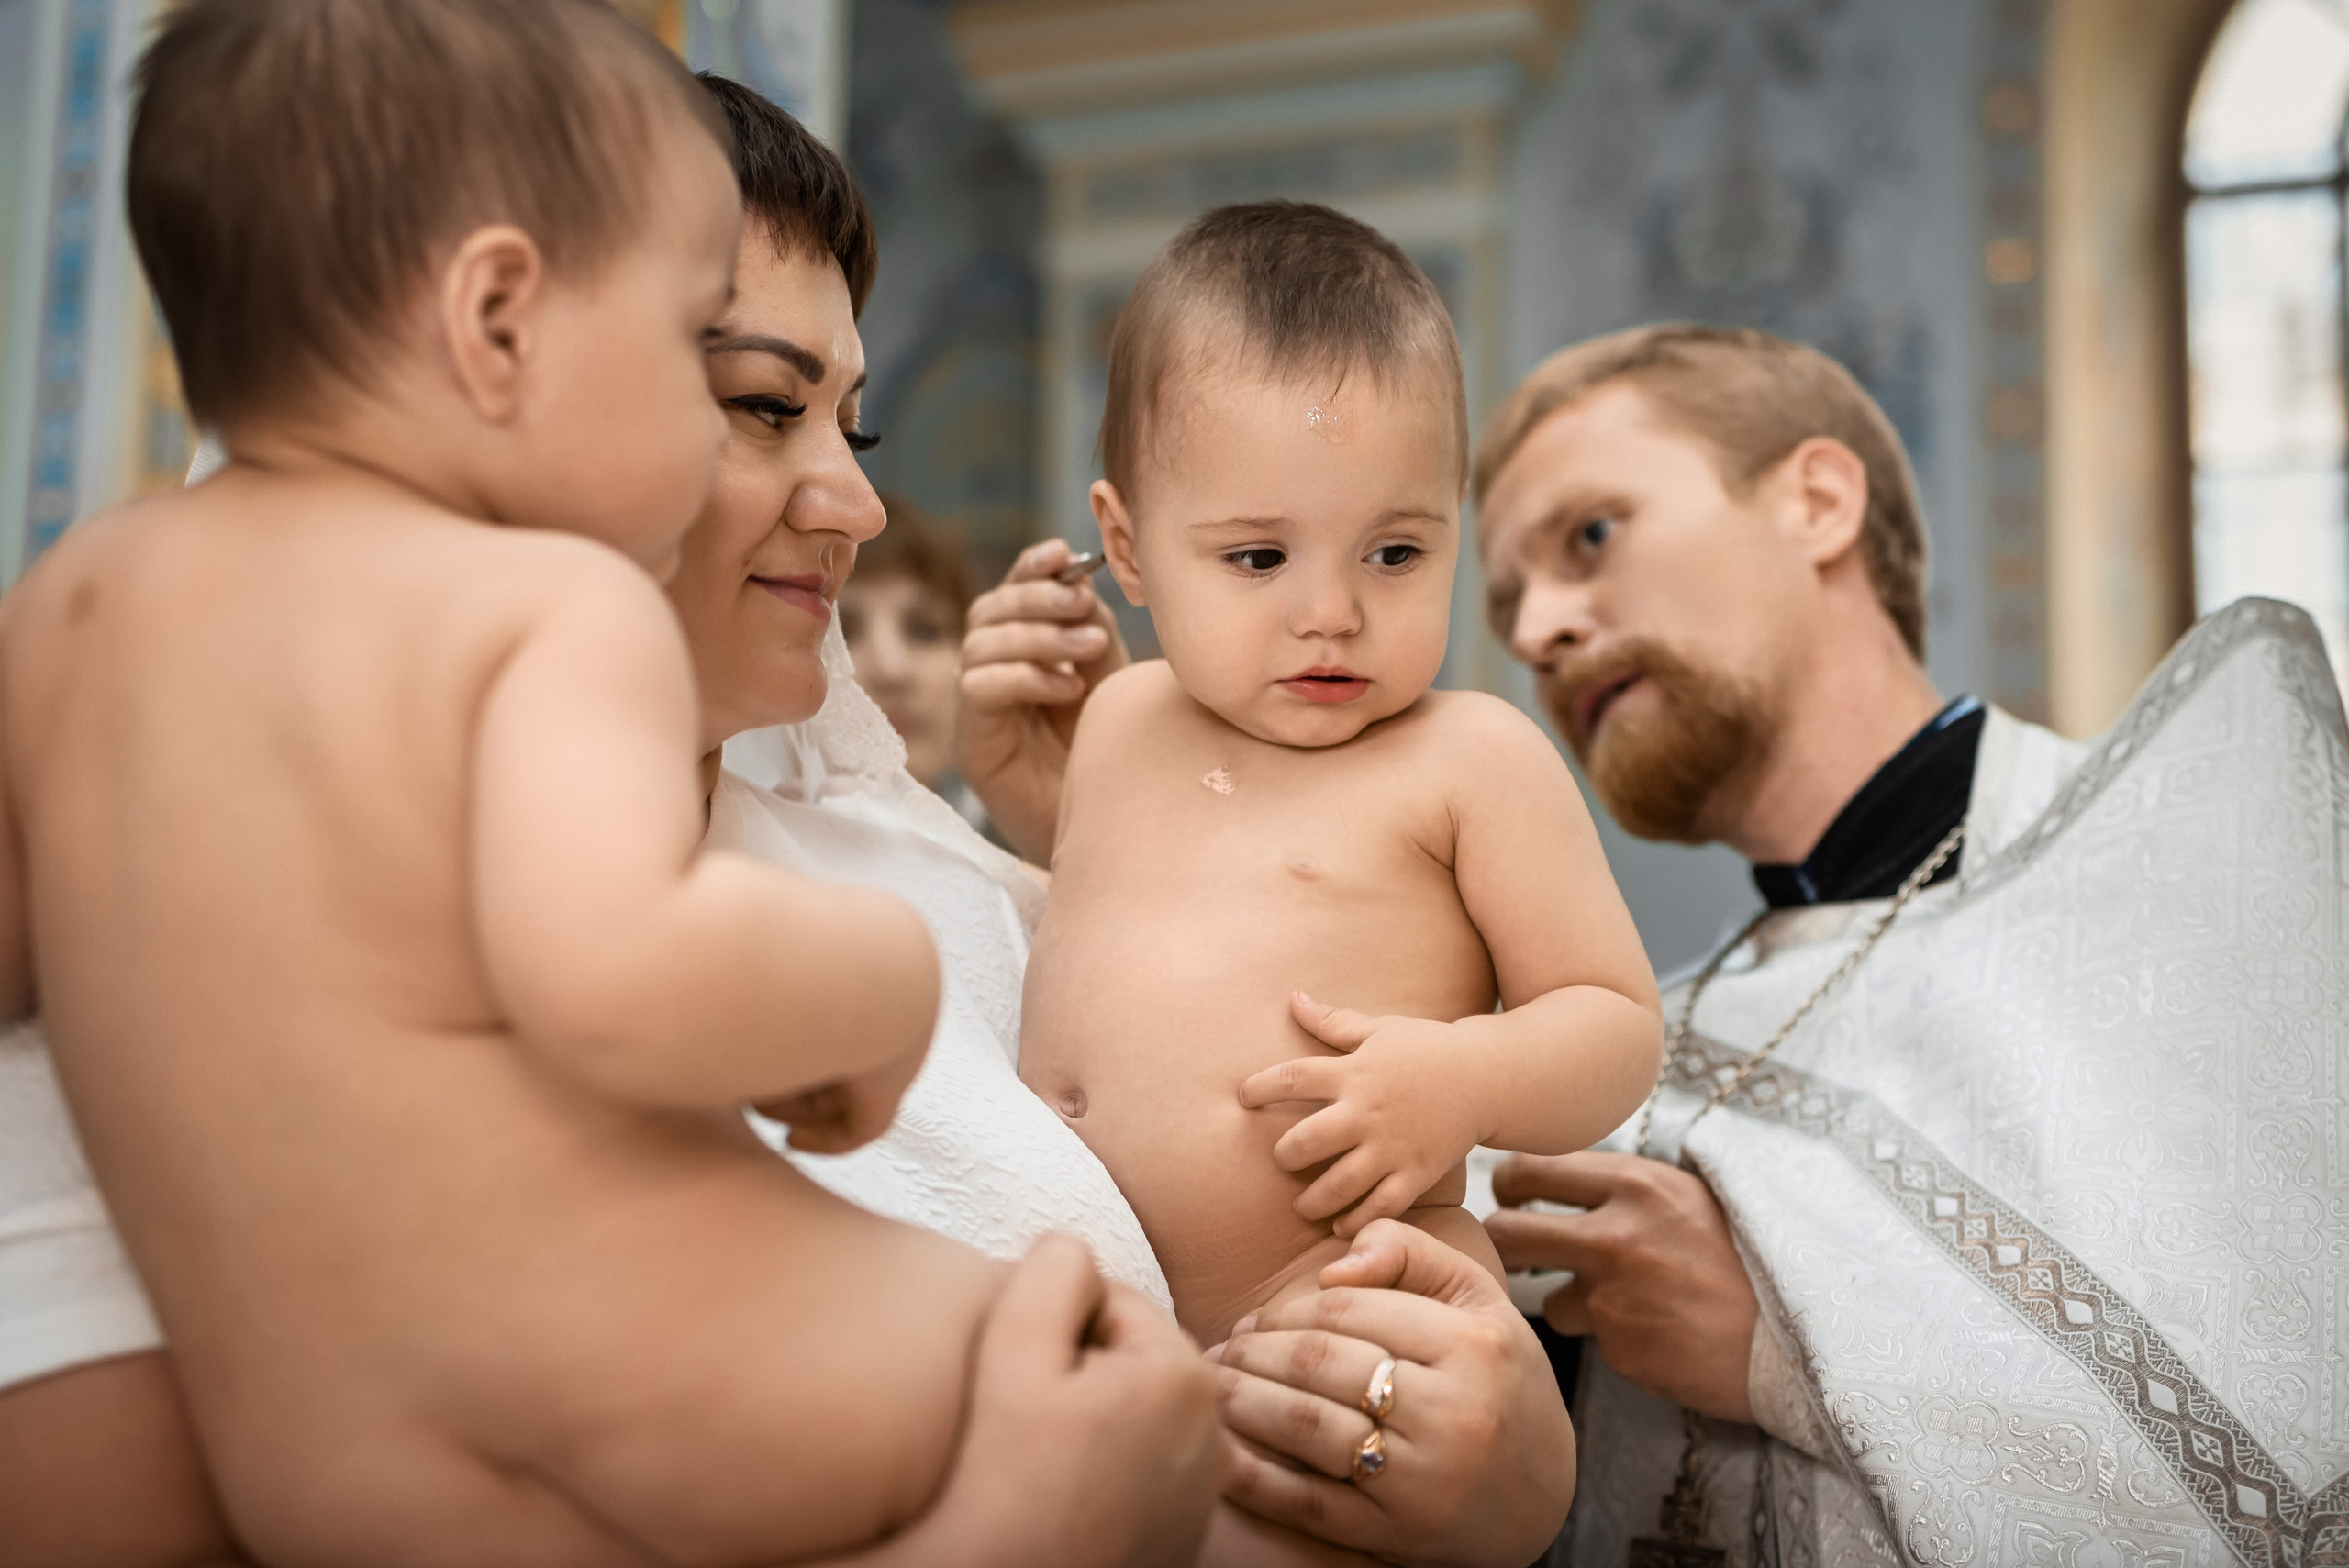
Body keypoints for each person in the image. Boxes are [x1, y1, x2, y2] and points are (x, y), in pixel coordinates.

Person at [0, 63, 1574, 1568]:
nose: (861, 499)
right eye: (763, 405)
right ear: (494, 355)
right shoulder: (193, 923)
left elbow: (1367, 1256)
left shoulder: (943, 877)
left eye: (854, 422)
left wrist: (1489, 1471)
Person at [1469, 327, 2346, 1562]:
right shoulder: (1621, 1049)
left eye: (1591, 537)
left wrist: (1784, 1350)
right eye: (1510, 605)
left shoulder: (2201, 852)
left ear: (1817, 502)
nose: (1540, 629)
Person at [1019, 202, 1663, 1374]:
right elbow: (1105, 918)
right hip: (1068, 1307)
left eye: (1395, 551)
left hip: (1331, 1299)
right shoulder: (1117, 717)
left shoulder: (1471, 759)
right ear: (1125, 548)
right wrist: (1011, 768)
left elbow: (1615, 1021)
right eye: (1259, 556)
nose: (1333, 611)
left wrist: (1463, 1080)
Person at [836, 492, 991, 828]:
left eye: (925, 631)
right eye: (842, 635)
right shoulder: (728, 856)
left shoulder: (1038, 848)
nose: (892, 670)